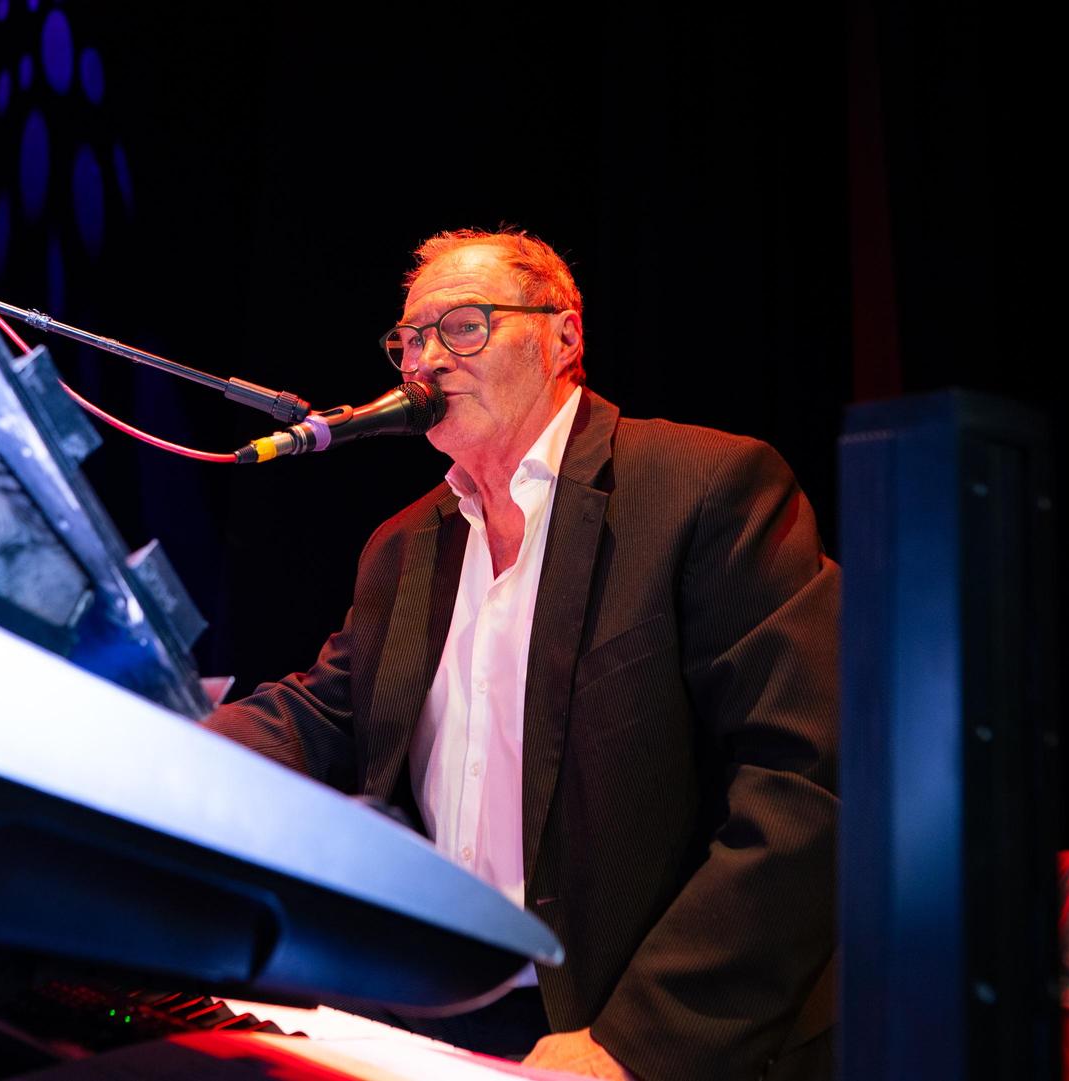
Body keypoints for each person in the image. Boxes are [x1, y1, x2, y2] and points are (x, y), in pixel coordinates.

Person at [203, 228, 838, 1081]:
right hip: (436, 1007)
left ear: (564, 337)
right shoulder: (401, 547)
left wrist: (639, 1041)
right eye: (410, 339)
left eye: (463, 326)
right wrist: (136, 736)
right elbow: (320, 715)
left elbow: (807, 781)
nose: (426, 361)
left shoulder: (705, 485)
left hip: (638, 1023)